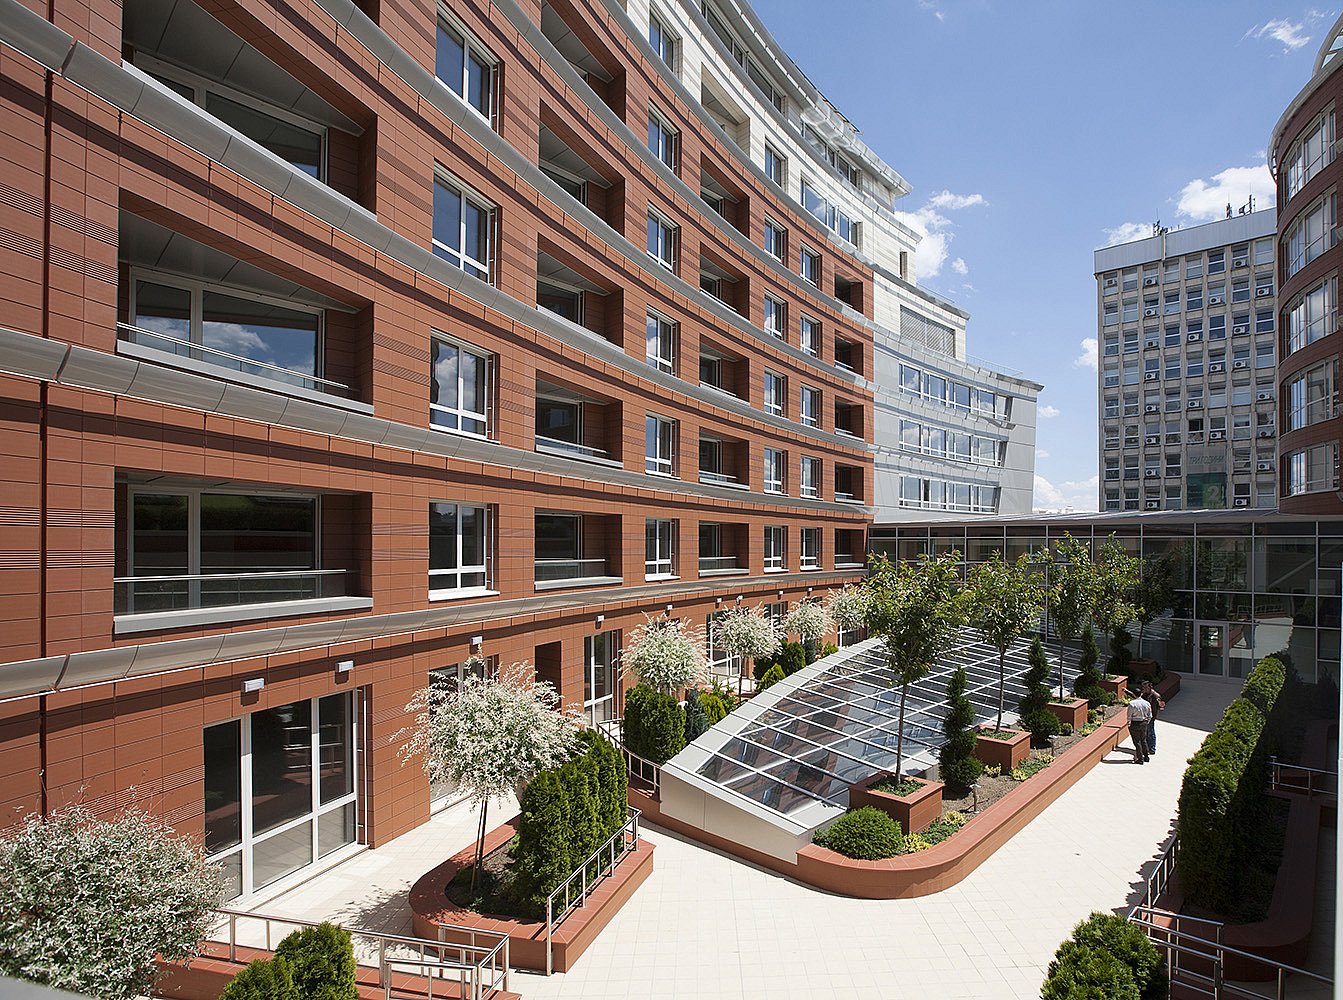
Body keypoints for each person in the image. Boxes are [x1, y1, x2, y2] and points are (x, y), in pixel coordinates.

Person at [1140, 679, 1165, 756]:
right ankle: (1147, 747)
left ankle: (1152, 749)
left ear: (1150, 687)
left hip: (1151, 717)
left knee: (1151, 732)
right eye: (1143, 688)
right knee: (1146, 732)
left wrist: (1160, 705)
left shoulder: (1155, 695)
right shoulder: (1144, 695)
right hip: (1145, 716)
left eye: (1145, 687)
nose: (1144, 689)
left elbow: (1160, 705)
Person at [1127, 691, 1152, 764]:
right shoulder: (1147, 703)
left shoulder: (1132, 704)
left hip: (1135, 723)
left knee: (1137, 741)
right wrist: (1147, 722)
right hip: (1144, 722)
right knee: (1143, 740)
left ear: (1133, 694)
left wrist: (1129, 724)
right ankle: (1146, 756)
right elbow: (1150, 715)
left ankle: (1140, 759)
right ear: (1141, 694)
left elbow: (1129, 716)